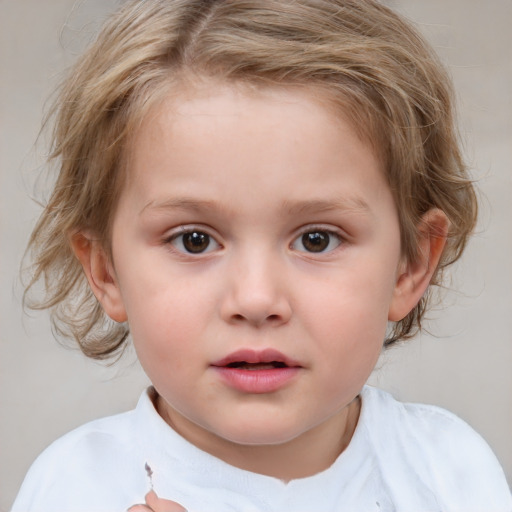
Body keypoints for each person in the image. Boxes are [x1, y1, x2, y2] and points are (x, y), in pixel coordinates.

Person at [11, 0, 512, 511]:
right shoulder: (73, 490)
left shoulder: (449, 473)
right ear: (106, 271)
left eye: (317, 239)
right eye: (194, 240)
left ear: (409, 265)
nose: (255, 299)